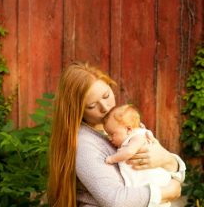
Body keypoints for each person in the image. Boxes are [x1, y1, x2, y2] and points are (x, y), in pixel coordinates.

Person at [47, 62, 186, 207]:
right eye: (92, 106)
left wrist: (168, 161)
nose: (105, 107)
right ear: (77, 110)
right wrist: (167, 192)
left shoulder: (122, 124)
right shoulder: (84, 145)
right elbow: (116, 200)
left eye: (106, 95)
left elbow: (173, 171)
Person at [103, 104, 172, 207]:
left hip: (153, 183)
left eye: (112, 134)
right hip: (145, 188)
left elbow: (129, 152)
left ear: (129, 130)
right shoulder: (130, 137)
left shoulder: (137, 137)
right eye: (107, 134)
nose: (109, 138)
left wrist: (112, 159)